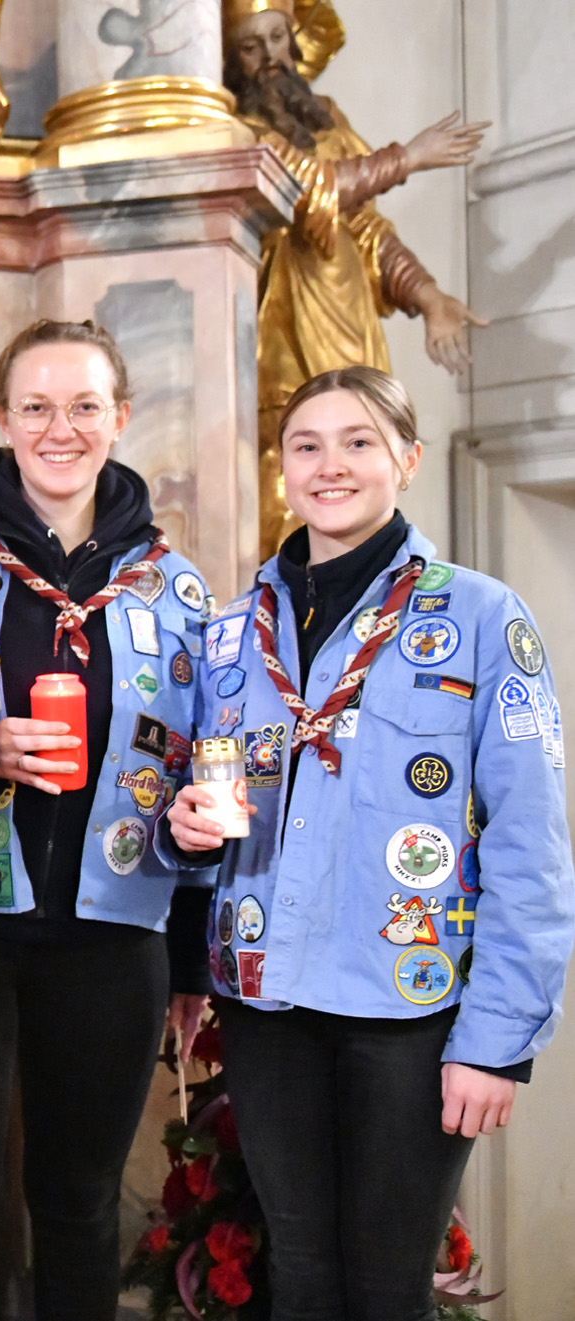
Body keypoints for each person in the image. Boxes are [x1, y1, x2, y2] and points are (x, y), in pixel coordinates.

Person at [165, 365, 573, 1321]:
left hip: (412, 1006)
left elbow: (530, 843)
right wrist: (185, 829)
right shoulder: (231, 633)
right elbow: (193, 815)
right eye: (305, 445)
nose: (329, 465)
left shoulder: (479, 617)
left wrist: (497, 1042)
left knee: (389, 1285)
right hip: (267, 999)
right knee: (299, 1272)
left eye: (357, 442)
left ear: (406, 459)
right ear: (282, 470)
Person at [0, 318, 215, 1321]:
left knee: (75, 1199)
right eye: (35, 406)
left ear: (119, 416)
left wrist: (191, 961)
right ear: (1, 417)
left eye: (81, 405)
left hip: (112, 933)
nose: (57, 428)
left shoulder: (175, 587)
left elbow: (207, 776)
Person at [221, 0, 486, 553]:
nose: (271, 55)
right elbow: (307, 191)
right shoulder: (237, 129)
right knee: (289, 485)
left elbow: (363, 227)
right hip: (285, 326)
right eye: (251, 45)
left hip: (350, 319)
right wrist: (406, 158)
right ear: (232, 58)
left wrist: (428, 295)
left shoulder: (327, 118)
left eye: (277, 36)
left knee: (367, 473)